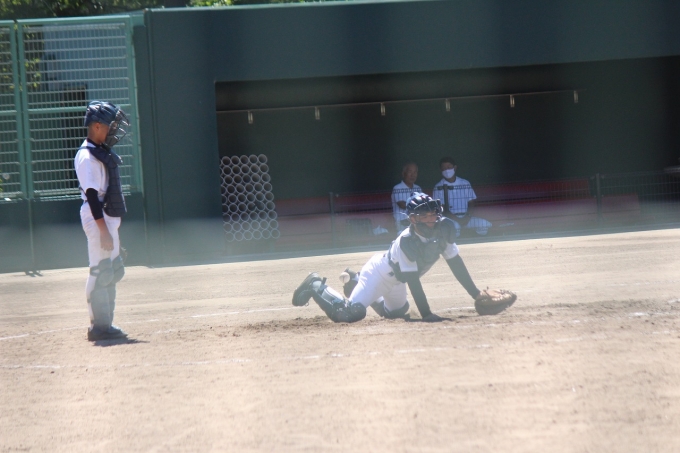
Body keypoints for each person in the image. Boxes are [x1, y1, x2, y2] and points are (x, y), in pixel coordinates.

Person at [292, 193, 513, 323]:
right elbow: (413, 281)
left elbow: (456, 264)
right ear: (413, 219)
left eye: (433, 214)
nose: (431, 219)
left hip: (397, 281)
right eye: (425, 215)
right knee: (349, 314)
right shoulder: (406, 241)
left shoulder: (443, 230)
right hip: (378, 274)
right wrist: (426, 314)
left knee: (396, 314)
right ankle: (316, 284)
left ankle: (353, 282)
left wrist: (476, 294)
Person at [74, 101, 130, 341]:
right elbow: (92, 196)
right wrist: (104, 231)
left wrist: (111, 232)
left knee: (112, 269)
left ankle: (106, 324)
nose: (113, 130)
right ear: (97, 126)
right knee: (100, 270)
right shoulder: (87, 156)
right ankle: (98, 327)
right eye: (110, 125)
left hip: (107, 218)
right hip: (97, 216)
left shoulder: (100, 152)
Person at [432, 156, 491, 237]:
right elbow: (442, 208)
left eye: (449, 167)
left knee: (484, 225)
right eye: (444, 168)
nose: (447, 170)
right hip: (450, 219)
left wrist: (467, 217)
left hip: (466, 217)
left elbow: (471, 202)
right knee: (455, 228)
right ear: (441, 170)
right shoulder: (438, 187)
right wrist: (458, 220)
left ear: (455, 167)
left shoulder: (465, 183)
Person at [391, 162, 422, 233]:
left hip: (417, 221)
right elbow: (402, 205)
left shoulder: (418, 188)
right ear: (403, 173)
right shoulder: (397, 188)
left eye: (415, 172)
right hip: (402, 222)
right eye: (410, 172)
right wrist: (417, 205)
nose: (412, 175)